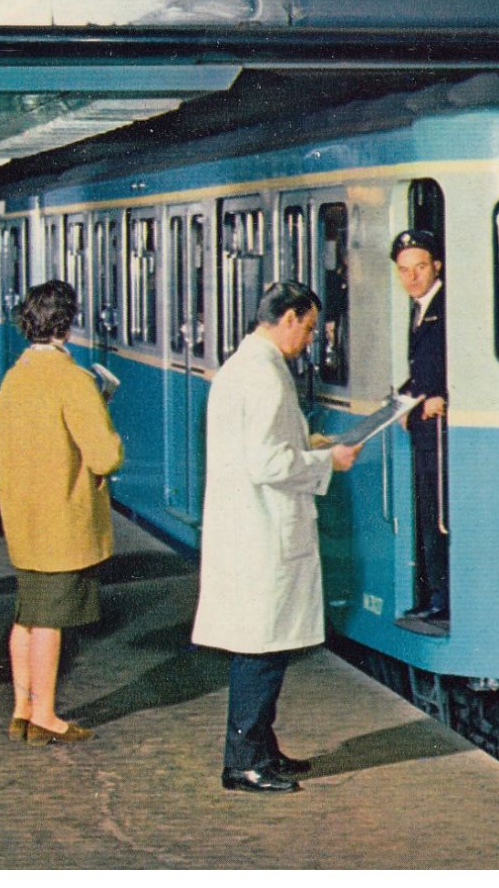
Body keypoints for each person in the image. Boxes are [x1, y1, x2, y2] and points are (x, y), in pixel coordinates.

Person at [192, 281, 361, 794]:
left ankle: (261, 749)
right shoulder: (264, 375)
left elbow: (258, 446)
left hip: (253, 526)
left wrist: (303, 444)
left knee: (264, 647)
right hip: (261, 530)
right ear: (287, 318)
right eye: (308, 327)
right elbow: (267, 463)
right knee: (260, 650)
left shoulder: (245, 366)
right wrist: (324, 459)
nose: (309, 338)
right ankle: (243, 761)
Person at [0, 280, 124, 746]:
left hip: (22, 517)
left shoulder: (15, 376)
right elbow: (105, 456)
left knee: (27, 614)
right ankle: (45, 715)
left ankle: (21, 708)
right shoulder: (72, 379)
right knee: (49, 619)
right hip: (61, 518)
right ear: (67, 325)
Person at [392, 229, 449, 624]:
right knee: (429, 515)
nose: (411, 277)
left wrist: (433, 398)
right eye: (404, 270)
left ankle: (441, 597)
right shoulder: (420, 306)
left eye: (420, 267)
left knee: (438, 517)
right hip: (428, 436)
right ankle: (435, 594)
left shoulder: (446, 309)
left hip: (442, 438)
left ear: (437, 267)